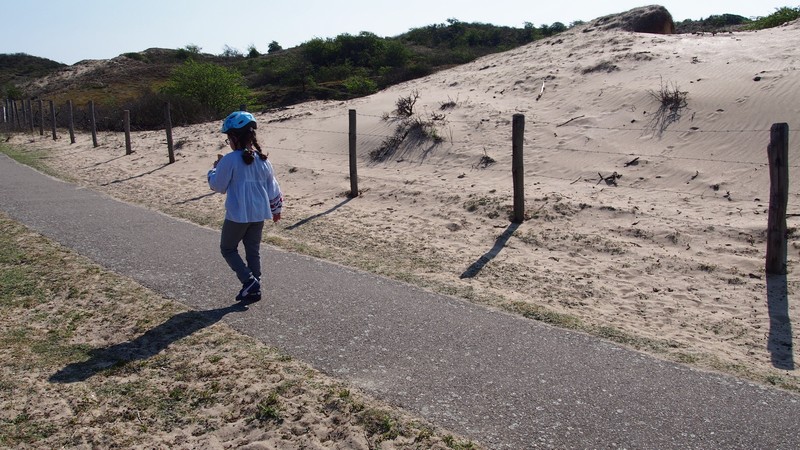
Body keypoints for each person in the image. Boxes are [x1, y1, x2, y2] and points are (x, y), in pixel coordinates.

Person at [208, 111, 283, 302]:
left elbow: (218, 186)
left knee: (228, 248)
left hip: (237, 214)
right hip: (259, 213)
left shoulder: (230, 159)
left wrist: (213, 170)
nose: (228, 142)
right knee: (253, 250)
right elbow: (273, 188)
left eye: (228, 139)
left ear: (234, 137)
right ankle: (254, 286)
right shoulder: (264, 161)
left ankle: (249, 282)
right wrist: (276, 210)